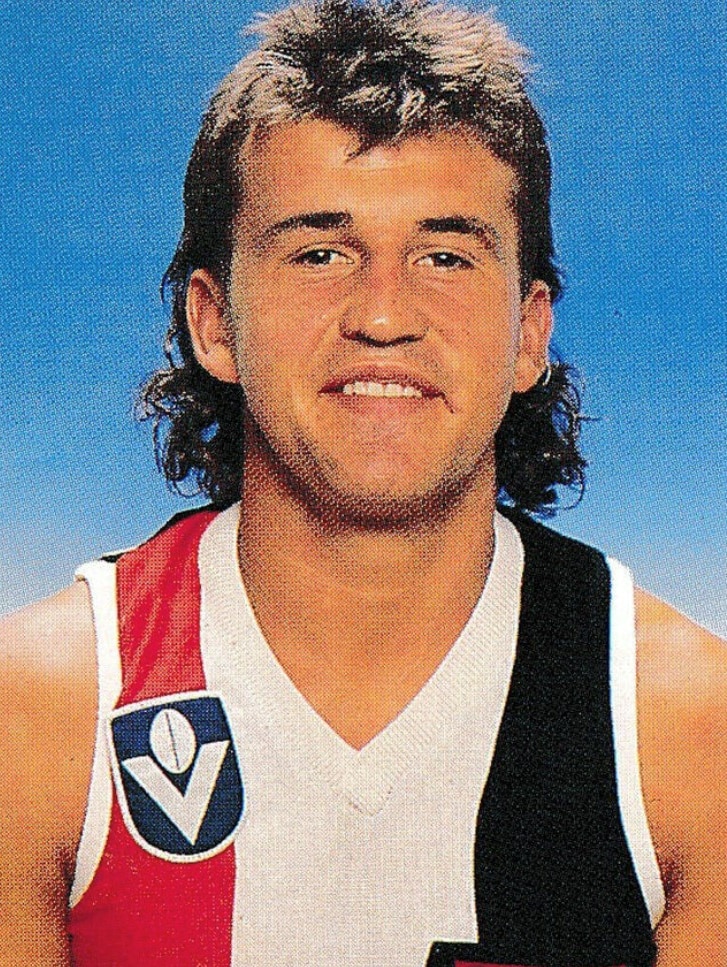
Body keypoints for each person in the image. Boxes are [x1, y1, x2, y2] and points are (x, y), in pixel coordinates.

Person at [1, 0, 725, 963]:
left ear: (528, 332)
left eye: (444, 255)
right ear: (213, 323)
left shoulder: (685, 724)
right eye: (319, 253)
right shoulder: (43, 707)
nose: (383, 315)